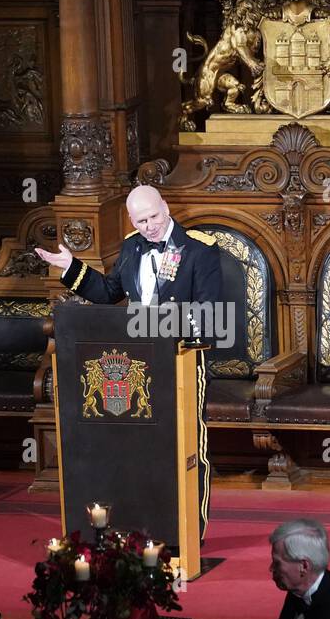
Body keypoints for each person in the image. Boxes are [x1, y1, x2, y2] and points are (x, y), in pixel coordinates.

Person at [35, 184, 223, 539]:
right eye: (141, 221)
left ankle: (191, 532)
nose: (149, 226)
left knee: (186, 447)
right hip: (138, 364)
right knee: (141, 448)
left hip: (182, 360)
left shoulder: (200, 250)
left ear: (165, 207)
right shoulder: (132, 246)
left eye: (153, 217)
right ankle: (147, 524)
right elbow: (109, 293)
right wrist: (72, 268)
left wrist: (161, 327)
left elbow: (211, 317)